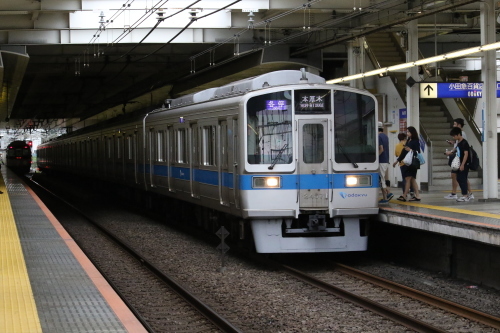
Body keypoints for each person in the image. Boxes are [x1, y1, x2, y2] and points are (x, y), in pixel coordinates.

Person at [444, 118, 473, 199]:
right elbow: (458, 145)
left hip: (460, 159)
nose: (453, 125)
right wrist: (452, 144)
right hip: (458, 158)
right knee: (459, 177)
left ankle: (466, 194)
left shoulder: (462, 135)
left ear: (459, 125)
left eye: (455, 124)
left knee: (461, 177)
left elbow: (463, 150)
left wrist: (452, 152)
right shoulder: (459, 137)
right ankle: (463, 193)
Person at [392, 126, 421, 201]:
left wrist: (410, 150)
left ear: (412, 133)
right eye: (407, 132)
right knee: (412, 180)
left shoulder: (415, 141)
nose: (407, 133)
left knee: (408, 178)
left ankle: (404, 195)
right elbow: (403, 152)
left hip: (412, 163)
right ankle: (417, 195)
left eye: (408, 132)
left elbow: (418, 152)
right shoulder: (409, 141)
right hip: (408, 163)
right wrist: (397, 160)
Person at [449, 127, 471, 202]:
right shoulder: (459, 142)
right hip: (460, 163)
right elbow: (457, 150)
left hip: (464, 163)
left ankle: (465, 195)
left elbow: (466, 154)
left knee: (462, 179)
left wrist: (462, 165)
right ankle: (465, 195)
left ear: (458, 134)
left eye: (454, 136)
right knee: (459, 178)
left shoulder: (464, 143)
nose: (453, 137)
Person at [378, 122, 393, 204]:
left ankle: (386, 197)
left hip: (381, 160)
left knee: (381, 179)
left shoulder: (378, 136)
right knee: (382, 178)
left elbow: (381, 149)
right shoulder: (385, 136)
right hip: (386, 160)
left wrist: (376, 157)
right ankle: (388, 193)